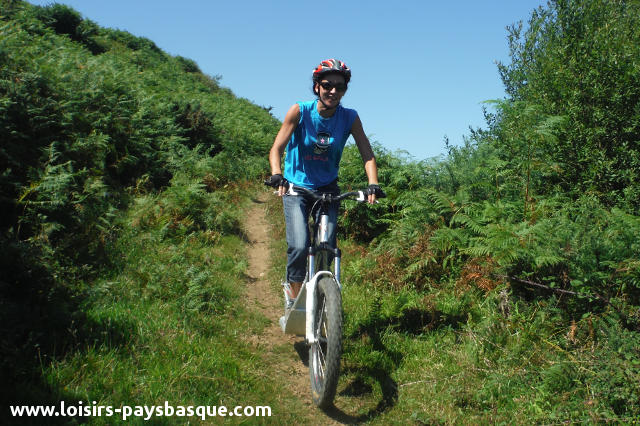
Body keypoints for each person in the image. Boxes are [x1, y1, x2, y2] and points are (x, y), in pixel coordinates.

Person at [265, 59, 384, 307]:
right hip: (296, 186)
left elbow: (367, 153)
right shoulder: (300, 111)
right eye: (327, 85)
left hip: (328, 188)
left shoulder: (349, 117)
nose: (333, 91)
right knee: (299, 245)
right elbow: (277, 148)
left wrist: (373, 183)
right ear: (317, 86)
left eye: (340, 87)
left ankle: (324, 293)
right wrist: (277, 174)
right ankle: (294, 294)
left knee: (327, 246)